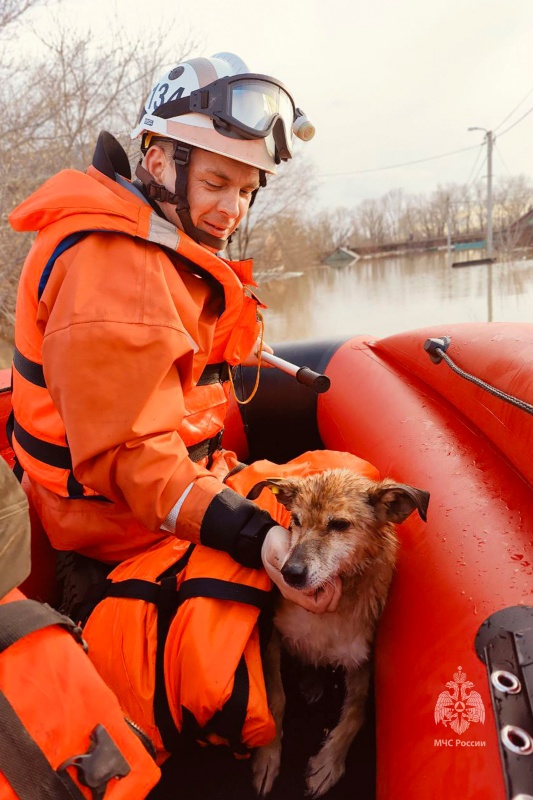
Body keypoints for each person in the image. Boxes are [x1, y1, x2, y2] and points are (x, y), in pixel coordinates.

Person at [8, 52, 340, 614]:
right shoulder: (114, 267)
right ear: (158, 162)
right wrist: (253, 535)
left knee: (350, 498)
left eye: (246, 190)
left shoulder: (152, 243)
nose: (231, 208)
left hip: (175, 486)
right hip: (118, 528)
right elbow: (131, 455)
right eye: (216, 182)